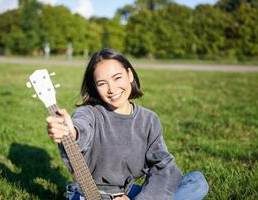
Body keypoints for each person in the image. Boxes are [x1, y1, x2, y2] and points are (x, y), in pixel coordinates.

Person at [46, 48, 209, 200]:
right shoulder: (90, 114)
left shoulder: (149, 120)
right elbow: (81, 128)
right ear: (95, 87)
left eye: (117, 78)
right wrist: (71, 132)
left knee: (196, 181)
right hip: (91, 193)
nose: (112, 89)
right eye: (102, 83)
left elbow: (163, 165)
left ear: (129, 75)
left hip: (126, 192)